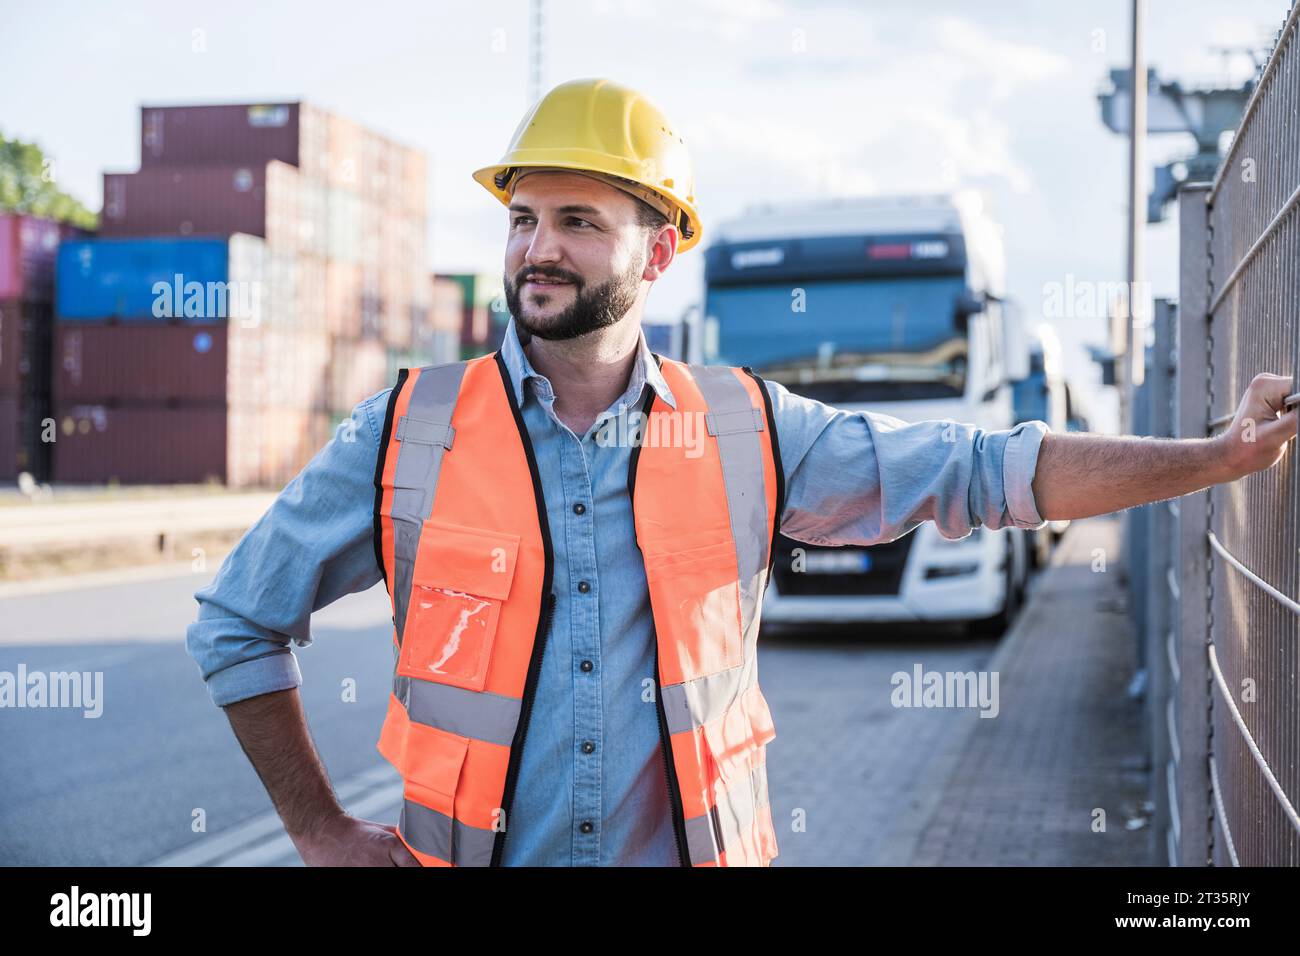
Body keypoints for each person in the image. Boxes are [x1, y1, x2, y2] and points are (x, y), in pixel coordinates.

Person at [185, 78, 1296, 868]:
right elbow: (236, 619)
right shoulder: (407, 427)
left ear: (659, 251)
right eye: (523, 218)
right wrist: (321, 829)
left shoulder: (747, 428)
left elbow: (986, 471)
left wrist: (1215, 455)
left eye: (579, 219)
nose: (537, 248)